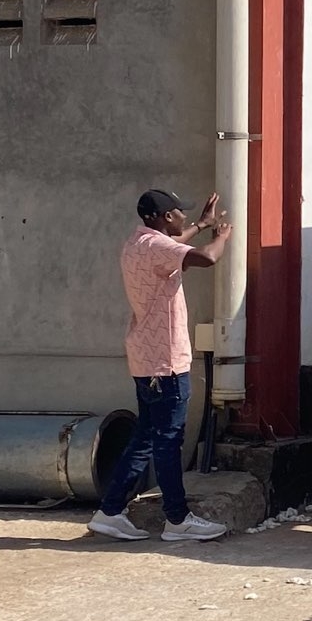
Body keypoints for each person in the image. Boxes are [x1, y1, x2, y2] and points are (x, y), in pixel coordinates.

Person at [87, 189, 234, 542]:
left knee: (145, 439)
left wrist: (201, 222)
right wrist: (222, 237)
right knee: (169, 441)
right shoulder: (158, 247)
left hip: (145, 359)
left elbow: (176, 245)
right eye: (179, 213)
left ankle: (110, 512)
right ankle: (177, 520)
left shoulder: (138, 243)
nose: (183, 217)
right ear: (166, 217)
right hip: (167, 362)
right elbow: (207, 258)